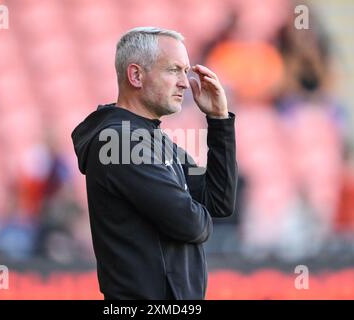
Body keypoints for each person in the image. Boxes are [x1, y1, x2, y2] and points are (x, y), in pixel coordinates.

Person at [71, 27, 237, 299]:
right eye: (173, 70)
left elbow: (218, 202)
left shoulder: (153, 139)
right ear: (136, 75)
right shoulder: (120, 142)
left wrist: (219, 121)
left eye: (186, 71)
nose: (184, 82)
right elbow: (190, 223)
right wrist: (197, 215)